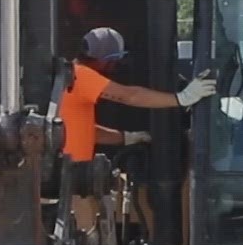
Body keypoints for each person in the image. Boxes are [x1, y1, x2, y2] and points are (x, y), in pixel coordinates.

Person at [61, 26, 216, 163]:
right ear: (105, 60)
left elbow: (89, 132)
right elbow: (130, 95)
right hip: (70, 178)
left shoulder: (73, 75)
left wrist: (127, 137)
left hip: (75, 176)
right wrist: (182, 98)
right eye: (116, 60)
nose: (116, 66)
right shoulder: (81, 76)